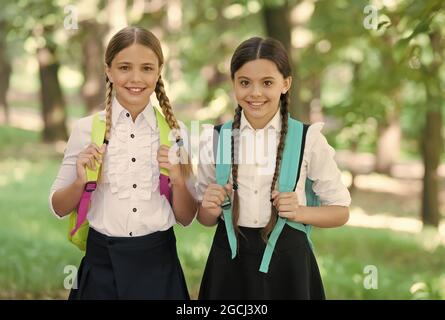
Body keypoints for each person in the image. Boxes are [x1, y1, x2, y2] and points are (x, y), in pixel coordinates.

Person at [196, 37, 351, 299]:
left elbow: (341, 212)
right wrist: (209, 207)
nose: (255, 93)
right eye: (245, 83)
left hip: (289, 268)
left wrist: (300, 212)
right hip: (229, 268)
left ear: (285, 83)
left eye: (267, 82)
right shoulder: (215, 139)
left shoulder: (308, 139)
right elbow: (205, 219)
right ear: (233, 83)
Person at [49, 26, 197, 299]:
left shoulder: (177, 134)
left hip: (159, 267)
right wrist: (81, 181)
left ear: (159, 70)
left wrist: (177, 178)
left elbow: (186, 217)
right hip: (100, 270)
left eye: (146, 68)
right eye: (125, 67)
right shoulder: (86, 129)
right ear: (108, 70)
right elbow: (58, 207)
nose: (136, 78)